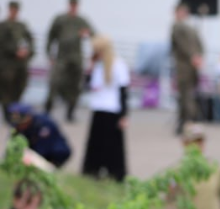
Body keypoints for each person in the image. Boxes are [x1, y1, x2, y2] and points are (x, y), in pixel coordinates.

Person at [82, 35, 130, 182]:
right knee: (95, 145)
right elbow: (87, 86)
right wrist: (90, 67)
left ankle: (115, 175)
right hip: (98, 109)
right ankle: (92, 172)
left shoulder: (118, 65)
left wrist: (124, 115)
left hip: (113, 111)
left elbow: (123, 92)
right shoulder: (97, 65)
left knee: (113, 147)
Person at [46, 0, 94, 123]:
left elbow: (93, 34)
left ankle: (70, 113)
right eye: (72, 4)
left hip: (76, 59)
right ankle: (47, 111)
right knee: (55, 83)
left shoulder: (81, 21)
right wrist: (49, 54)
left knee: (75, 86)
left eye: (75, 5)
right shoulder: (60, 19)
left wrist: (86, 34)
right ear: (69, 5)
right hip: (62, 57)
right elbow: (51, 37)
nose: (73, 7)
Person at [171, 2, 204, 135]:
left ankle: (188, 122)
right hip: (183, 67)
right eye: (182, 11)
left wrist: (199, 56)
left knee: (189, 95)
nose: (184, 14)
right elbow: (182, 45)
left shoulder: (190, 27)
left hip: (192, 66)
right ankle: (186, 122)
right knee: (184, 96)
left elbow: (199, 43)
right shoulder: (176, 27)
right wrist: (193, 57)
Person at [6, 103, 73, 169]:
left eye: (19, 116)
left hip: (53, 151)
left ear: (28, 116)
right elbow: (14, 144)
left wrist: (33, 162)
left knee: (58, 151)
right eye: (13, 116)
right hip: (34, 150)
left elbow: (44, 147)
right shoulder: (16, 125)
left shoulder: (43, 124)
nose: (15, 119)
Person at [0, 1, 34, 113]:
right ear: (9, 10)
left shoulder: (21, 26)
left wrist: (27, 51)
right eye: (12, 9)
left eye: (16, 10)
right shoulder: (3, 26)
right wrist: (15, 51)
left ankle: (14, 109)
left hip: (20, 64)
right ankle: (7, 112)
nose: (14, 12)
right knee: (6, 88)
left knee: (20, 86)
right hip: (7, 64)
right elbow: (2, 43)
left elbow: (30, 39)